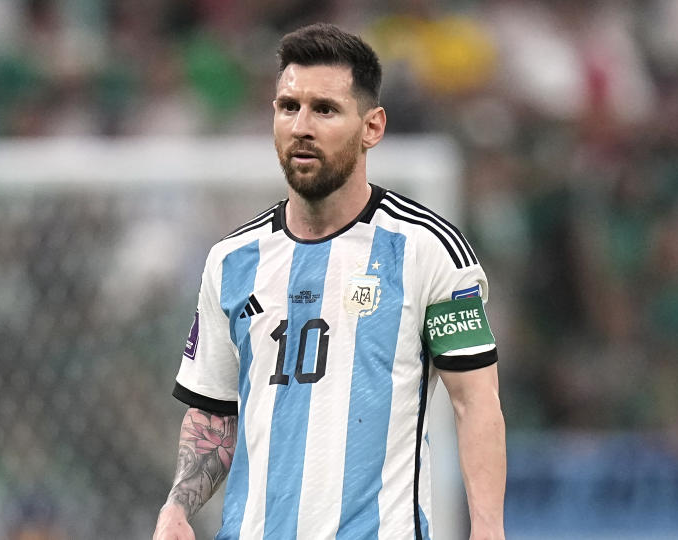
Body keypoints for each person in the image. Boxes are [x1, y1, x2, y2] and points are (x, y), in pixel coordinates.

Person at [153, 23, 506, 540]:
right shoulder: (230, 261)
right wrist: (177, 506)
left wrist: (488, 529)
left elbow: (474, 401)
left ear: (372, 127)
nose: (301, 125)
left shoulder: (426, 248)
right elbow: (213, 411)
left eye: (325, 109)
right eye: (288, 106)